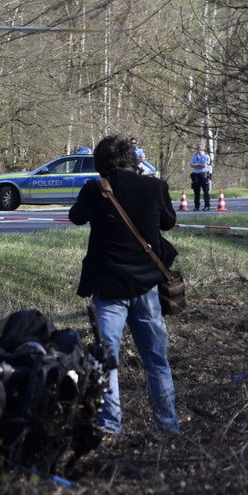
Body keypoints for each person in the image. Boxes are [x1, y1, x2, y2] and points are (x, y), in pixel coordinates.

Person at [69, 134, 180, 436]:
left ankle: (110, 425)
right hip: (147, 288)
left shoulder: (96, 189)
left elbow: (75, 217)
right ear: (134, 160)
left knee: (108, 361)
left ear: (101, 163)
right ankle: (168, 427)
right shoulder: (155, 186)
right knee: (157, 361)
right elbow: (169, 222)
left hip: (109, 287)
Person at [190, 143, 212, 211]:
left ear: (203, 148)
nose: (199, 149)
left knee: (206, 191)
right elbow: (191, 165)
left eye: (200, 148)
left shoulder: (206, 156)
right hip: (195, 175)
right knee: (196, 192)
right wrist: (198, 165)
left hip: (203, 175)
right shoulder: (194, 155)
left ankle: (207, 206)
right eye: (198, 148)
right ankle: (197, 206)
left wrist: (196, 165)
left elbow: (204, 165)